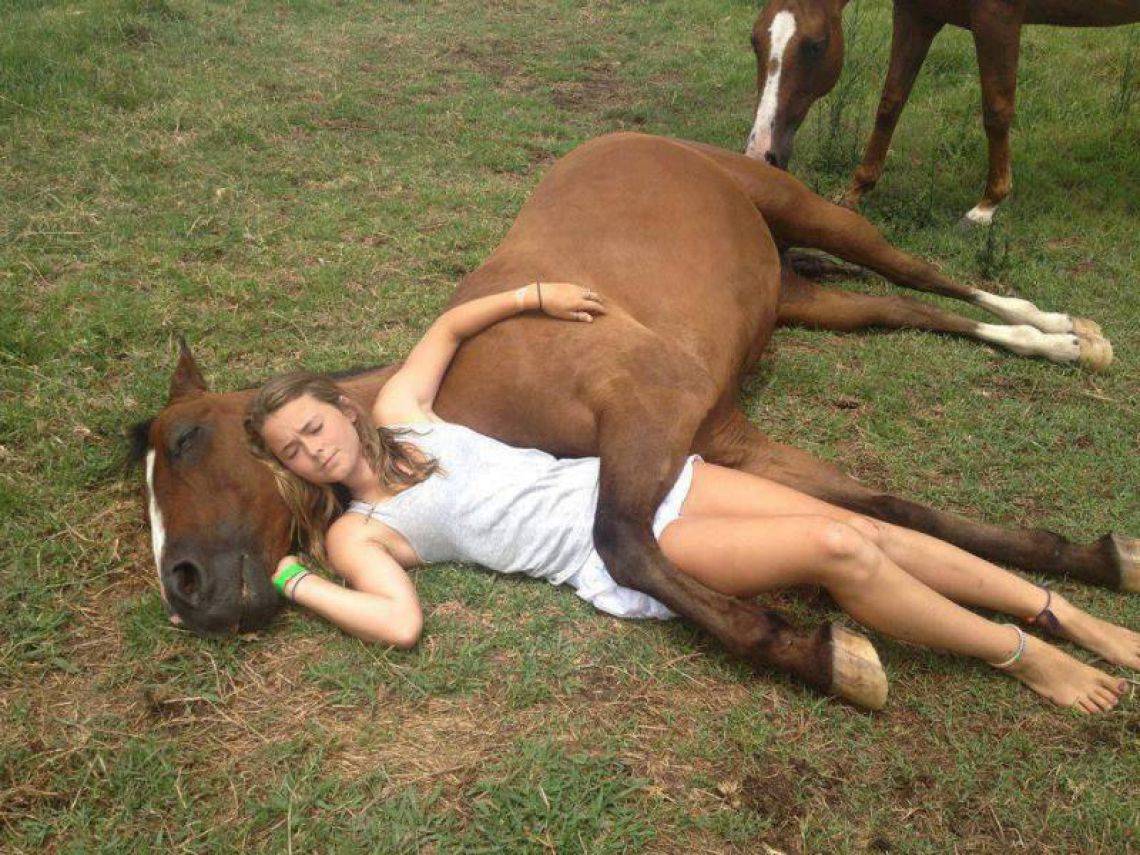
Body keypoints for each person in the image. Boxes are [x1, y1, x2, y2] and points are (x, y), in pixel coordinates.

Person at [244, 281, 1137, 713]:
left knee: (855, 519)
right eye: (294, 451)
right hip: (620, 549)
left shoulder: (402, 411)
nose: (315, 449)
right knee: (839, 548)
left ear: (342, 407)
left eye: (314, 425)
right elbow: (398, 623)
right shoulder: (361, 532)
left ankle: (1060, 608)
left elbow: (446, 326)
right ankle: (1022, 654)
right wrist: (292, 578)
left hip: (637, 481)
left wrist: (537, 294)